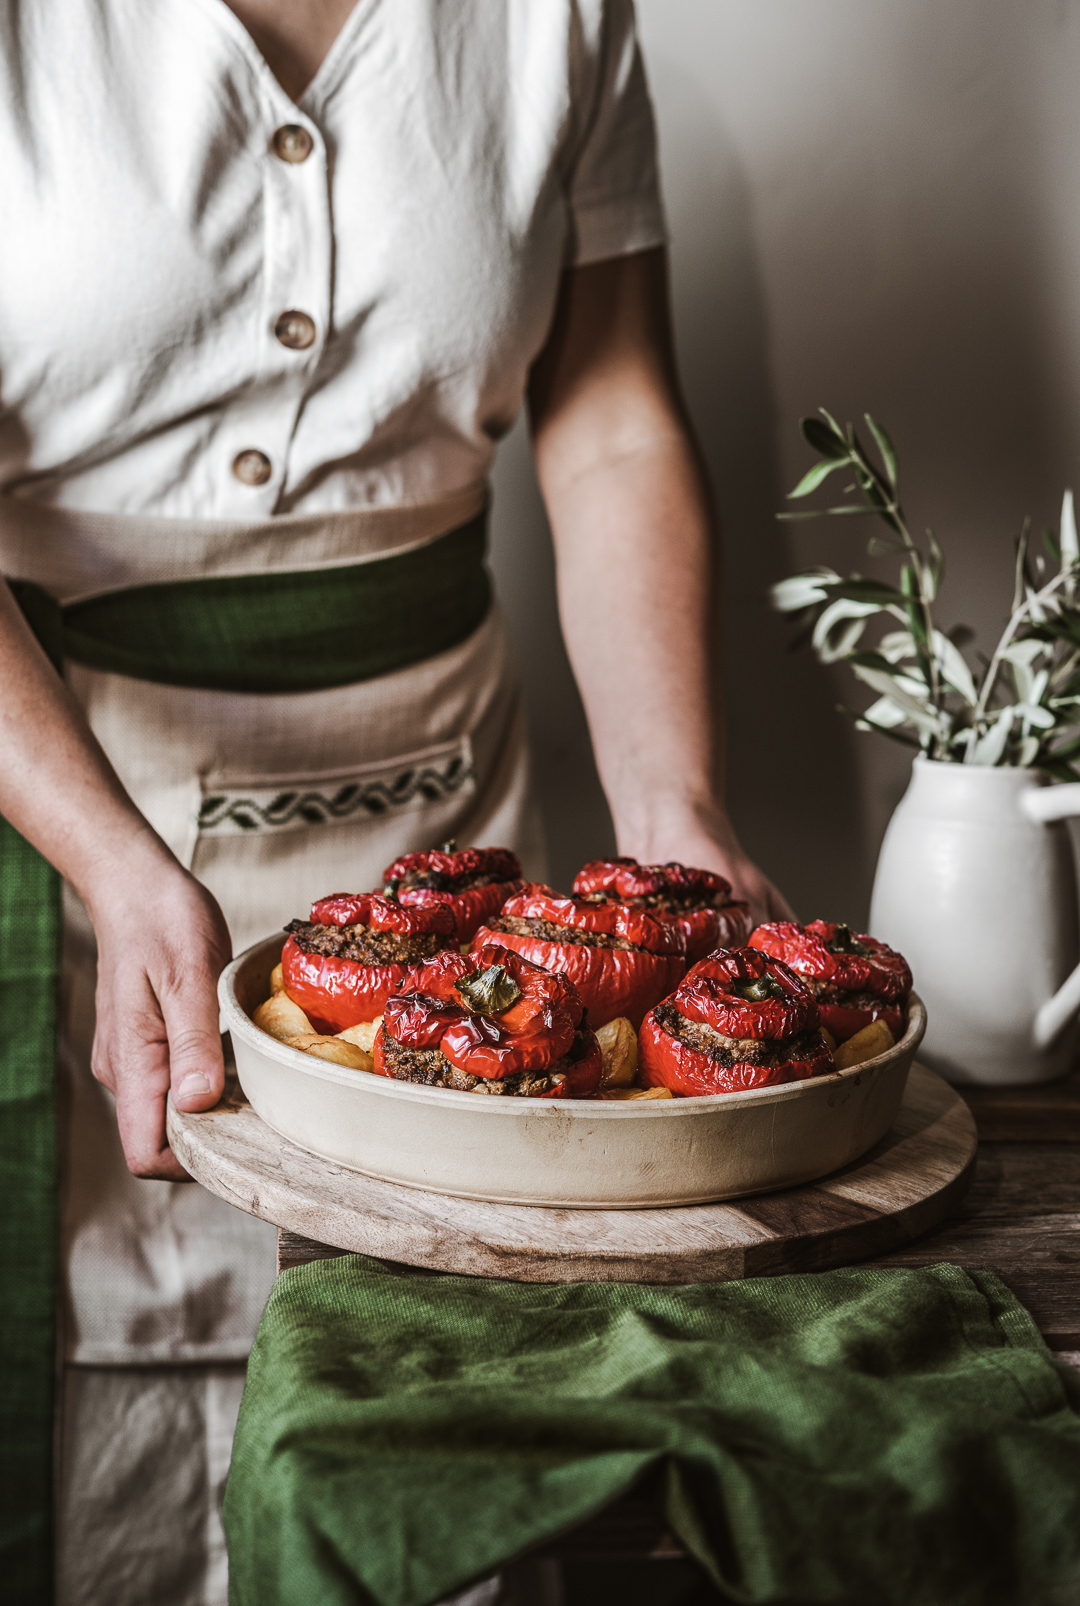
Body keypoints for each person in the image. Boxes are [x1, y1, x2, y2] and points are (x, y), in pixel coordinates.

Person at [0, 0, 792, 1600]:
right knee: (107, 1408)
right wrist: (111, 857)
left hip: (459, 831)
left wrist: (670, 806)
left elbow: (612, 419)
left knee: (451, 1404)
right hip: (59, 804)